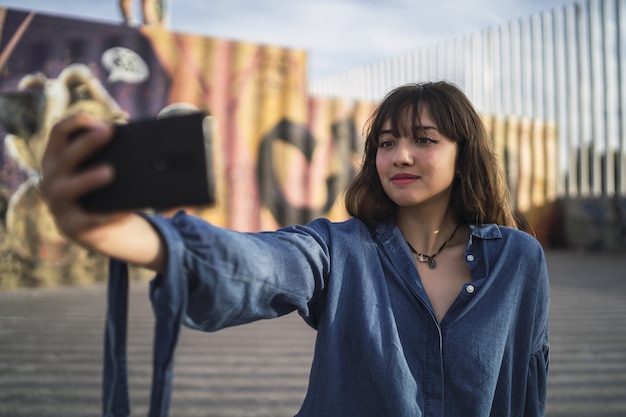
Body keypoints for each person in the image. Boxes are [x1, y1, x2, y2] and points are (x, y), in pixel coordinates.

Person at [40, 81, 550, 416]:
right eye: (387, 143)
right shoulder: (338, 248)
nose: (400, 156)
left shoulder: (518, 261)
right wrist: (129, 236)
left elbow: (527, 390)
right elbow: (264, 265)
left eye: (425, 139)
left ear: (464, 157)